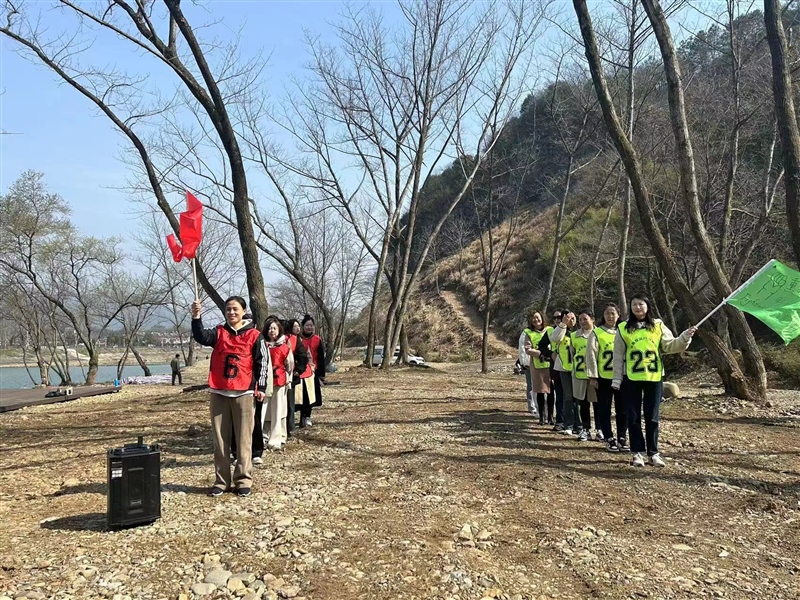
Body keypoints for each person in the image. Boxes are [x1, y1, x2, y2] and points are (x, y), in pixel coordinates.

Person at [192, 297, 271, 497]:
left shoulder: (255, 335)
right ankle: (222, 481)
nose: (231, 313)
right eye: (228, 309)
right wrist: (196, 317)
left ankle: (243, 479)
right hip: (219, 391)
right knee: (220, 439)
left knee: (244, 438)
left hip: (244, 392)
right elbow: (201, 336)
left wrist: (261, 387)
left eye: (235, 309)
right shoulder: (219, 332)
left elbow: (262, 362)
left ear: (243, 311)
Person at [612, 294, 696, 468]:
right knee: (633, 416)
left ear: (647, 306)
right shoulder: (623, 328)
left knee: (652, 417)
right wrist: (616, 380)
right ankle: (637, 452)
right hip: (631, 378)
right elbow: (618, 356)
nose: (637, 308)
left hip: (654, 377)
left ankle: (653, 452)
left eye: (641, 304)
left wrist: (685, 337)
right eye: (634, 304)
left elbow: (670, 345)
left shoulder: (657, 325)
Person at [587, 303, 627, 452]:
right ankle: (609, 437)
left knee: (623, 409)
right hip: (604, 377)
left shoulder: (623, 331)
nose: (610, 316)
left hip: (622, 376)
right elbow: (591, 355)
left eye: (613, 313)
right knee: (604, 408)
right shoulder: (597, 333)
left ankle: (622, 437)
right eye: (607, 313)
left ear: (618, 315)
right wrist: (593, 376)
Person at [263, 317, 294, 451]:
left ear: (279, 330)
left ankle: (277, 438)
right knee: (265, 411)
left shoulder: (285, 347)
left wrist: (288, 380)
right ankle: (264, 436)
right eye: (270, 328)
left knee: (278, 411)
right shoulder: (262, 346)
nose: (272, 331)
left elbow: (290, 365)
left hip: (279, 382)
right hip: (264, 383)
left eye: (274, 328)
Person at [546, 310, 578, 436]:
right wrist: (563, 324)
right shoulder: (560, 330)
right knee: (567, 397)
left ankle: (579, 425)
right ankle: (567, 423)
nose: (571, 321)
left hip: (579, 369)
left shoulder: (580, 331)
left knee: (579, 398)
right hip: (563, 368)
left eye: (573, 318)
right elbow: (555, 338)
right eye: (568, 318)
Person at [520, 310, 553, 424]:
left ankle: (551, 416)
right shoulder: (528, 332)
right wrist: (540, 353)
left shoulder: (550, 330)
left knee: (551, 391)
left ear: (542, 318)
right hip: (537, 365)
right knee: (540, 391)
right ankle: (541, 416)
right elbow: (527, 349)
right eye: (533, 318)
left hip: (551, 365)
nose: (536, 320)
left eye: (537, 317)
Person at [570, 309, 597, 442]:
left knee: (598, 403)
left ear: (592, 319)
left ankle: (600, 429)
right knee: (583, 403)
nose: (582, 322)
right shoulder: (574, 335)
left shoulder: (598, 333)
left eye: (585, 319)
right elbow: (572, 354)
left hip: (596, 375)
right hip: (580, 375)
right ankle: (585, 429)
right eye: (580, 319)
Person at [284, 319, 310, 440]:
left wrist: (298, 370)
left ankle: (290, 428)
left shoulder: (294, 339)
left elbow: (303, 356)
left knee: (290, 403)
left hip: (291, 376)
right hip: (275, 377)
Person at [299, 314, 326, 427]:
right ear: (303, 326)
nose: (309, 327)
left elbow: (321, 358)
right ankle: (302, 416)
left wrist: (321, 375)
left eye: (311, 325)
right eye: (307, 325)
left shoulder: (317, 339)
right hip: (301, 371)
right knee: (302, 396)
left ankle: (308, 416)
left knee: (311, 396)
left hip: (313, 371)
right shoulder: (299, 339)